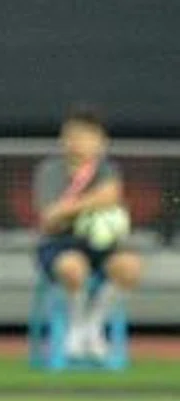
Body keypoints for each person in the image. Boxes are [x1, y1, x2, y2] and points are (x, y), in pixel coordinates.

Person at [34, 107, 141, 362]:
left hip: (102, 246)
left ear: (101, 141)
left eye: (87, 136)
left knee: (129, 267)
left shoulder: (107, 170)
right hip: (59, 244)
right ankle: (75, 327)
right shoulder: (50, 171)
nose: (79, 143)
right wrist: (89, 204)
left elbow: (111, 195)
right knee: (73, 267)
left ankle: (93, 326)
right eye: (74, 136)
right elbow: (49, 220)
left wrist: (68, 208)